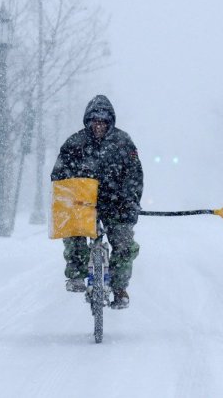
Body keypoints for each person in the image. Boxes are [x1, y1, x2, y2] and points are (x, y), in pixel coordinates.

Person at [50, 95, 143, 309]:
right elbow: (59, 174)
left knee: (124, 244)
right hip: (82, 205)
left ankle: (119, 288)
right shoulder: (74, 143)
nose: (99, 126)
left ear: (110, 122)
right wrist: (68, 196)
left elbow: (135, 175)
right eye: (95, 121)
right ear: (88, 121)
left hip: (116, 205)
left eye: (103, 121)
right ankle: (75, 275)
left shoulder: (123, 143)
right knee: (73, 236)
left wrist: (131, 201)